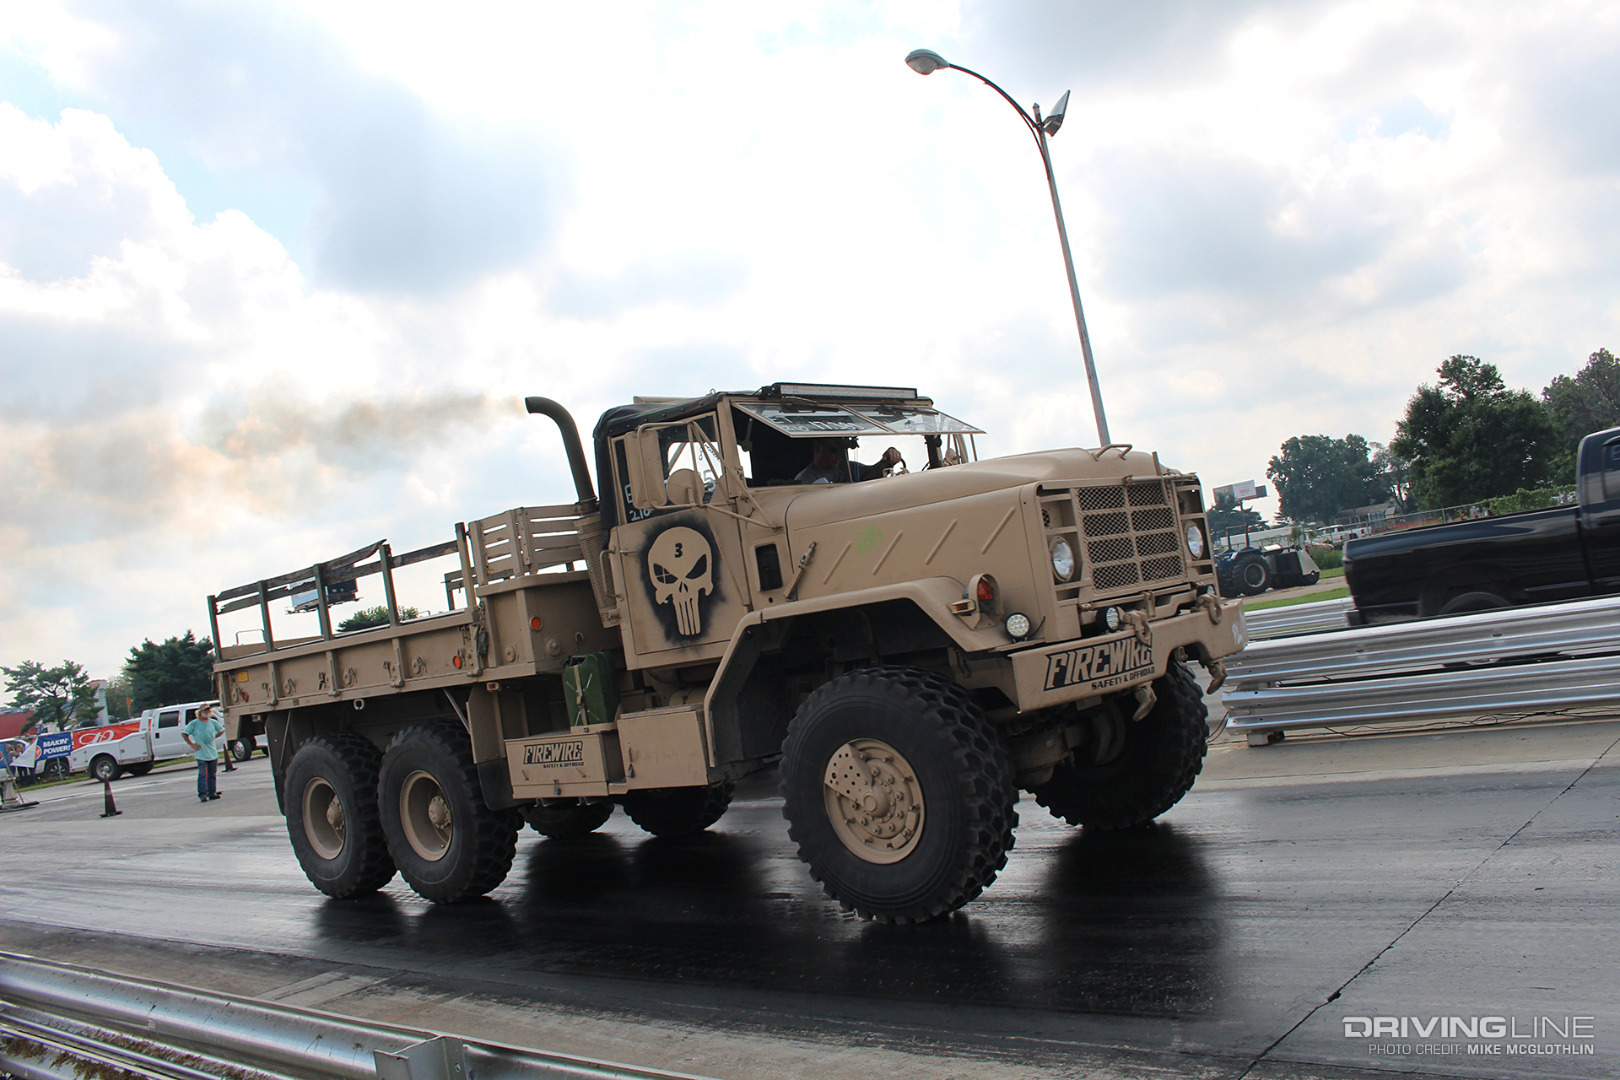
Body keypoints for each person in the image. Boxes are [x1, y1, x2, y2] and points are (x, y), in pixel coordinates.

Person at [793, 438, 904, 484]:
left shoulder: (845, 467)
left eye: (841, 450)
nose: (838, 455)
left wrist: (887, 461)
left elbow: (869, 474)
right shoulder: (804, 480)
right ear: (817, 449)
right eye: (833, 450)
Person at [182, 704, 225, 803]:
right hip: (201, 753)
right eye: (204, 711)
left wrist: (214, 736)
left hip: (212, 752)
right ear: (200, 712)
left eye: (208, 711)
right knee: (202, 774)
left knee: (212, 774)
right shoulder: (194, 723)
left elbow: (221, 730)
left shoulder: (213, 722)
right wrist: (192, 745)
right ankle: (202, 794)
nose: (206, 712)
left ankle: (212, 792)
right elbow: (184, 733)